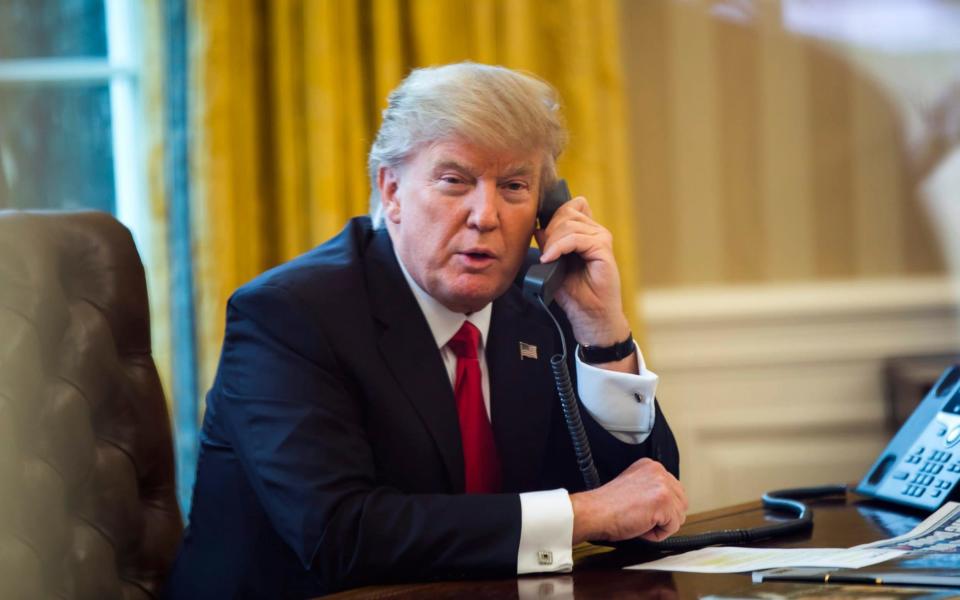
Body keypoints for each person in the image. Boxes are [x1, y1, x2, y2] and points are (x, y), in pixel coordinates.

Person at [165, 62, 687, 598]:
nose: (485, 215)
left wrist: (603, 333)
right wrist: (581, 514)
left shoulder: (542, 304)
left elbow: (647, 503)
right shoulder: (289, 316)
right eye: (455, 181)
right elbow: (342, 535)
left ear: (544, 209)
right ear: (390, 190)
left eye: (513, 186)